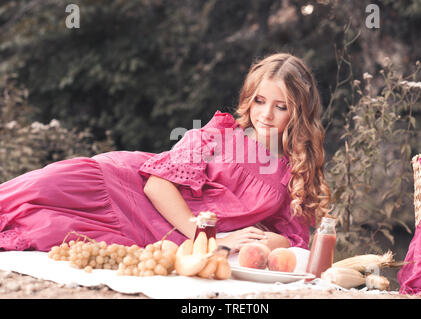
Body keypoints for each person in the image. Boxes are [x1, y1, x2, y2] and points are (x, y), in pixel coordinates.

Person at [0, 53, 331, 253]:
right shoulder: (219, 132)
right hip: (121, 187)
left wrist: (252, 242)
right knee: (38, 189)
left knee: (45, 229)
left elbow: (292, 240)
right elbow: (156, 184)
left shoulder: (294, 173)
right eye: (259, 100)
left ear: (298, 113)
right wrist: (209, 238)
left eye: (280, 106)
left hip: (157, 235)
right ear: (249, 98)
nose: (266, 114)